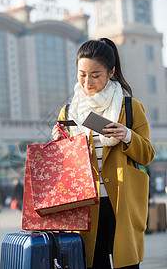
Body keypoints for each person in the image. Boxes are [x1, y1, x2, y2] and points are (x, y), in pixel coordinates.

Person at [52, 38, 155, 269]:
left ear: (111, 72)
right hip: (86, 206)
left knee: (126, 264)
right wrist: (60, 144)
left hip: (122, 202)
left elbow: (148, 154)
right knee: (92, 264)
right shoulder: (69, 111)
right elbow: (63, 166)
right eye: (82, 74)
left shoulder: (129, 108)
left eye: (95, 75)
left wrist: (127, 135)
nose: (87, 82)